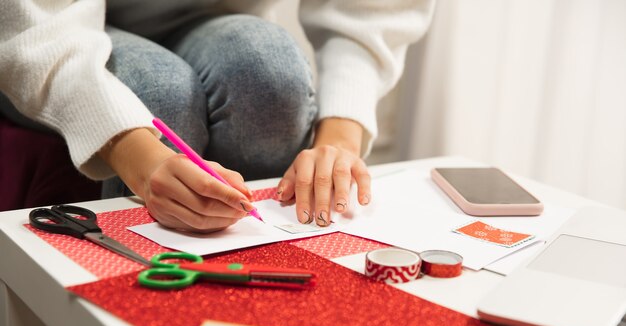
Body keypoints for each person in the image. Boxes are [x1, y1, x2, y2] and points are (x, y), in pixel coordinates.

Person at [0, 0, 435, 232]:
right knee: (159, 94)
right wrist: (137, 156)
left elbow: (375, 8)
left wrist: (339, 137)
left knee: (269, 75)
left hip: (217, 18)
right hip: (47, 30)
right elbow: (34, 28)